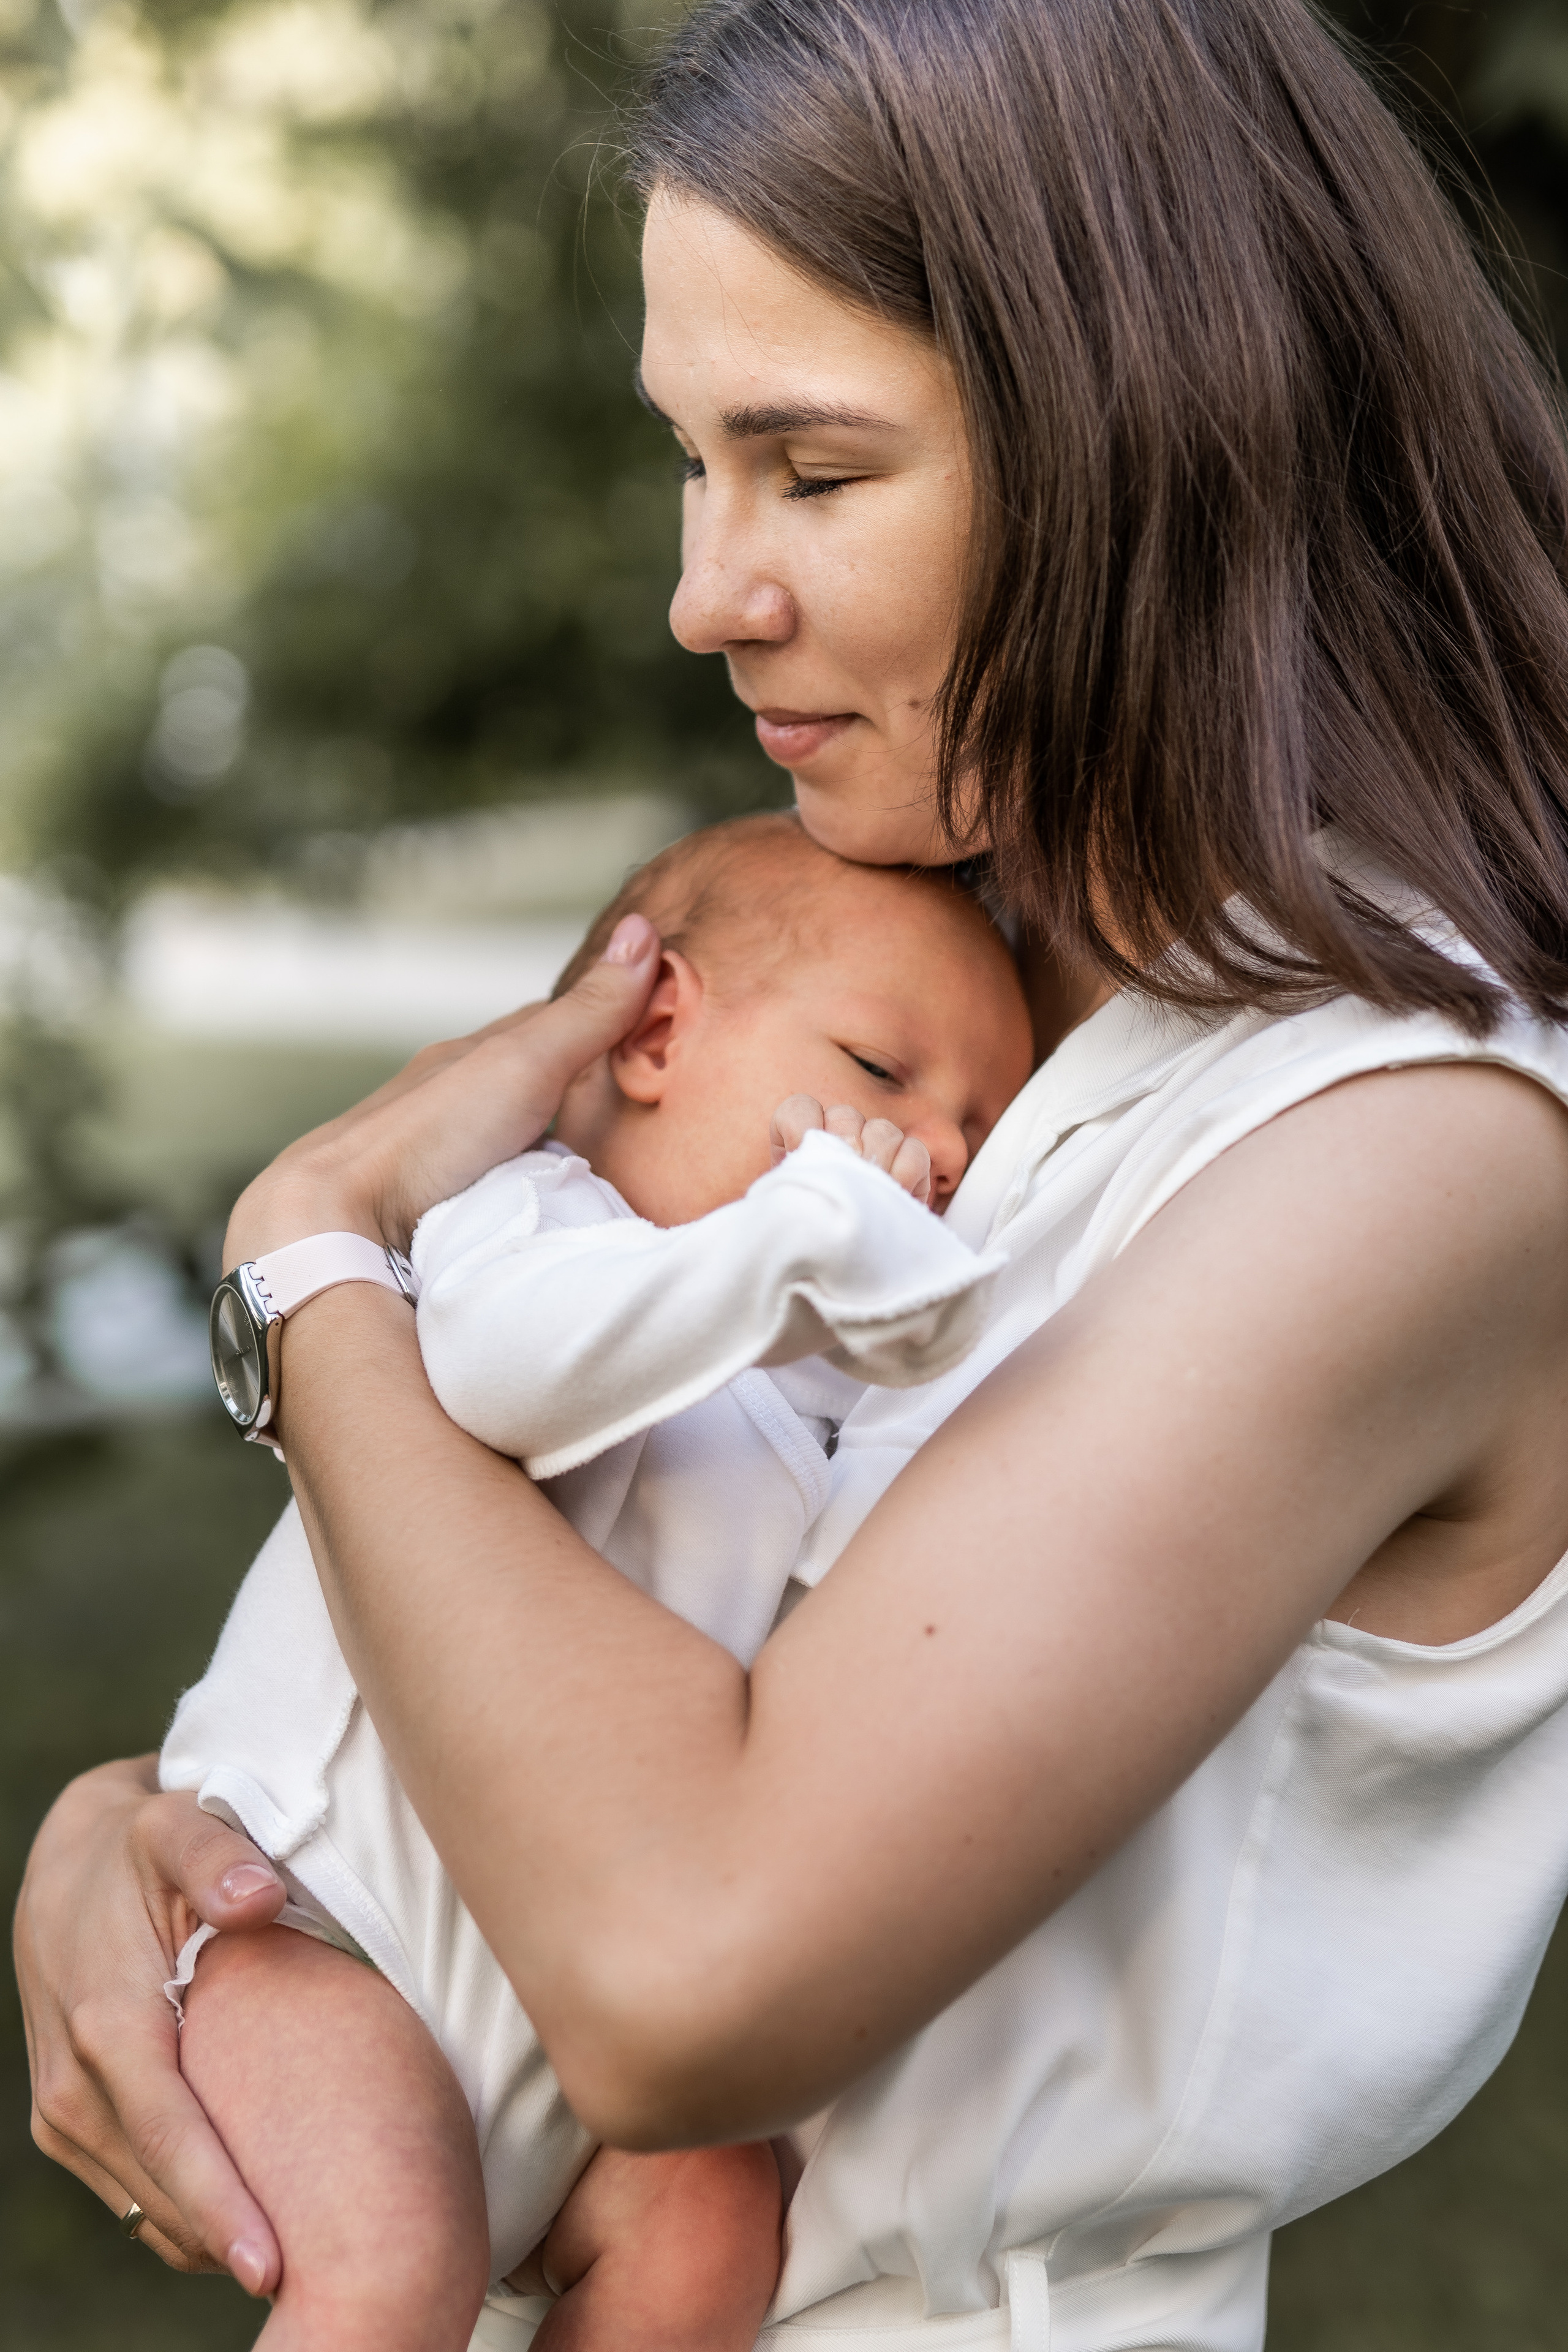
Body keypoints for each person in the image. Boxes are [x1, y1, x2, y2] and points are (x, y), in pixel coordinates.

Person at [17, 2, 1568, 2348]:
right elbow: (588, 1619)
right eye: (690, 463)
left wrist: (305, 1272)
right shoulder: (951, 989)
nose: (705, 590)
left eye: (810, 473)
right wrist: (168, 1840)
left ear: (1152, 450)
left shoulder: (1412, 1147)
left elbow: (680, 1969)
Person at [153, 815, 1031, 2352]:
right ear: (662, 1029)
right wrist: (800, 1240)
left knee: (707, 2227)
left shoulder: (824, 1400)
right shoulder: (533, 1217)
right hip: (319, 1931)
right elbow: (504, 1377)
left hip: (577, 2029)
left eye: (980, 1127)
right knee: (391, 2271)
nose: (937, 1153)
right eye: (886, 1075)